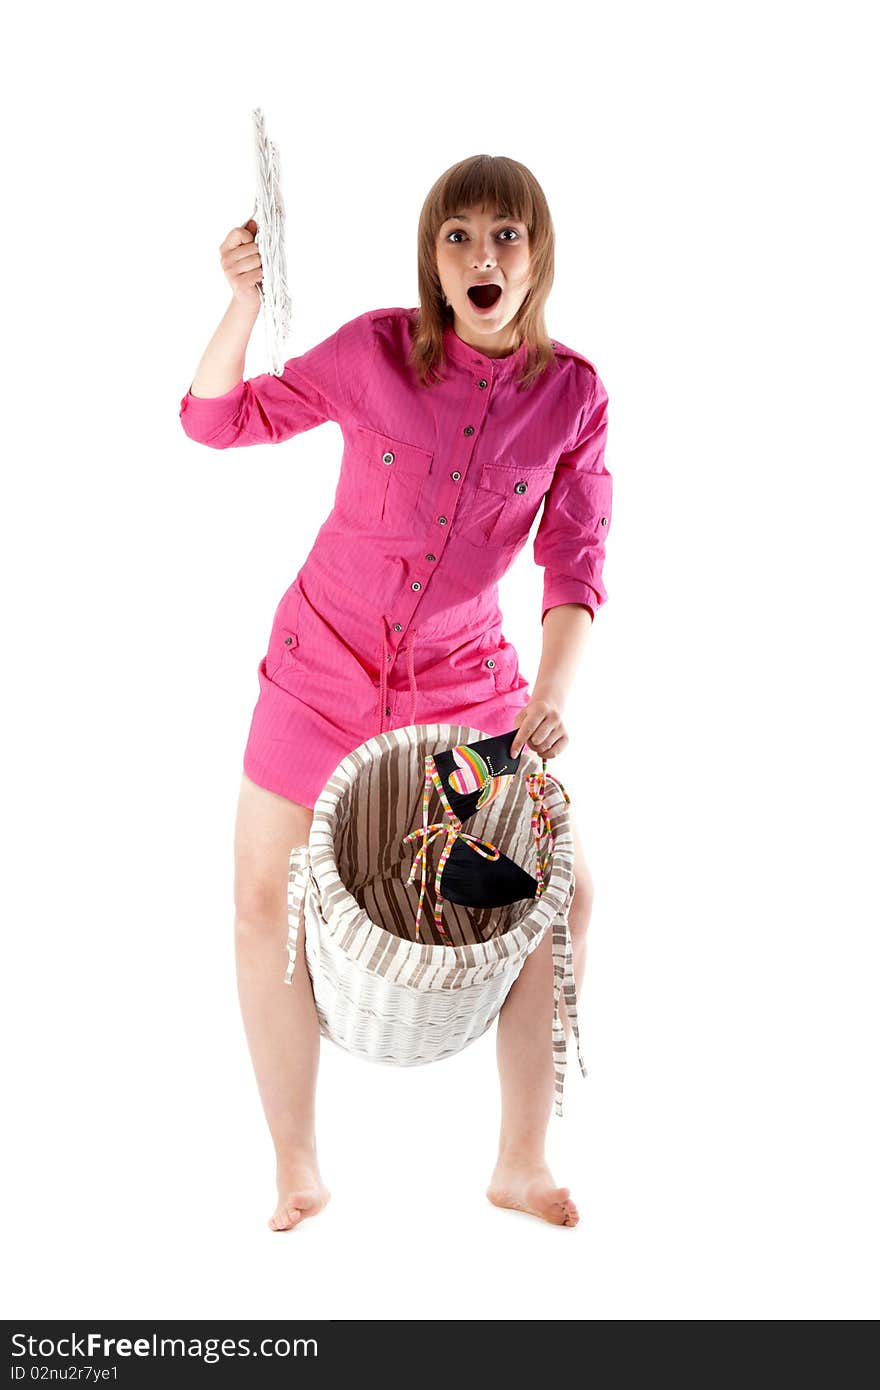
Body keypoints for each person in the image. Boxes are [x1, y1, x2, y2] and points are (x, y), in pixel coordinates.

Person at [179, 154, 612, 1232]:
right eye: (457, 235)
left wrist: (551, 692)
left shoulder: (574, 396)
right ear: (431, 257)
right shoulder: (374, 351)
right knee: (258, 902)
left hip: (463, 691)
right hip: (319, 667)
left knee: (563, 893)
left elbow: (576, 564)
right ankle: (296, 1166)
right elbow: (216, 420)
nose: (481, 255)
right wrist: (240, 303)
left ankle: (520, 1160)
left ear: (537, 255)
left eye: (504, 235)